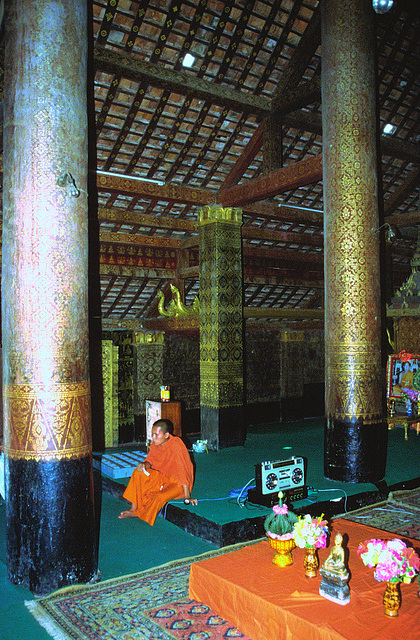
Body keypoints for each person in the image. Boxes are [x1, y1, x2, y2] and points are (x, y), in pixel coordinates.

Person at [118, 419, 197, 524]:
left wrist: (187, 496)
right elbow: (150, 461)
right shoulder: (155, 444)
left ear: (166, 435)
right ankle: (133, 508)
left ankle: (139, 513)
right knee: (138, 473)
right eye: (152, 434)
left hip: (178, 484)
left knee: (160, 497)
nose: (153, 438)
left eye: (156, 435)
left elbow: (183, 472)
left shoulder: (176, 445)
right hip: (162, 477)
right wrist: (143, 465)